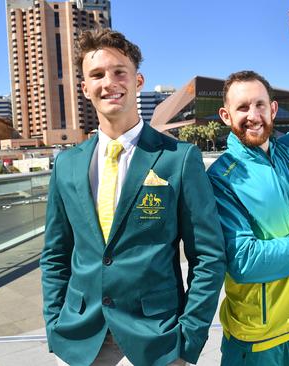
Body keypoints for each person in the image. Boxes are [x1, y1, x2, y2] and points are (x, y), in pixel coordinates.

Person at [40, 29, 226, 366]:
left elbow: (209, 256)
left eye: (119, 72)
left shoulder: (178, 158)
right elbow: (55, 255)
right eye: (97, 74)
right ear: (85, 89)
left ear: (137, 80)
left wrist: (189, 337)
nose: (109, 82)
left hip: (157, 339)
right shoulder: (66, 165)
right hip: (80, 339)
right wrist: (55, 325)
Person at [207, 70, 289, 366]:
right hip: (258, 342)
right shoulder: (221, 179)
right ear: (225, 115)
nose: (253, 115)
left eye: (260, 105)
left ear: (273, 109)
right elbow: (244, 261)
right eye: (242, 107)